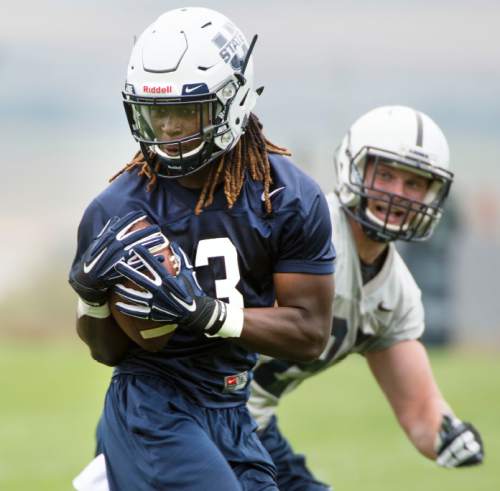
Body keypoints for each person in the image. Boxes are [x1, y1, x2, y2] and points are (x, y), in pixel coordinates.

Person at [68, 7, 335, 491]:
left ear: (231, 102)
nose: (167, 128)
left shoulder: (288, 198)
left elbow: (311, 333)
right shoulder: (116, 207)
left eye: (184, 110)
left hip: (232, 403)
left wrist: (210, 315)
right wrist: (89, 299)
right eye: (156, 110)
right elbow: (107, 352)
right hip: (152, 403)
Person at [248, 106, 484, 491]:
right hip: (193, 411)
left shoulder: (397, 295)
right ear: (353, 166)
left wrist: (450, 435)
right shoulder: (302, 224)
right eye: (386, 175)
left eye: (413, 184)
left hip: (251, 424)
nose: (396, 194)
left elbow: (420, 413)